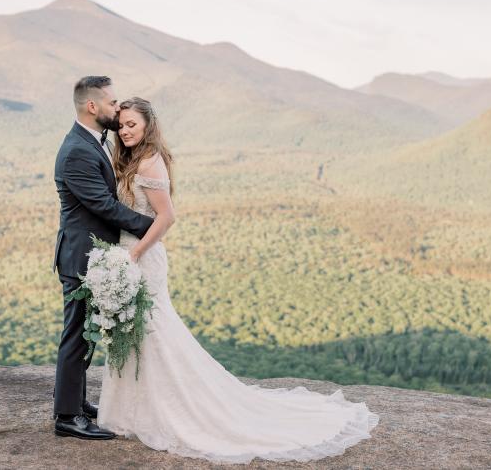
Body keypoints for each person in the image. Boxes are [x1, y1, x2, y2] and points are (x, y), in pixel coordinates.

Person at [96, 97, 379, 464]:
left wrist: (133, 255)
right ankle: (131, 410)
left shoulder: (150, 161)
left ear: (149, 125)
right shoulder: (133, 158)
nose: (126, 130)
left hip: (143, 256)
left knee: (151, 329)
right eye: (122, 125)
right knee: (133, 330)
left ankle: (170, 411)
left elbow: (166, 218)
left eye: (133, 123)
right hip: (129, 253)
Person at [52, 77, 154, 440]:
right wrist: (152, 226)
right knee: (77, 335)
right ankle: (66, 416)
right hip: (81, 256)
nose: (117, 107)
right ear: (92, 107)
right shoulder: (78, 149)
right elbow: (102, 205)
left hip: (93, 254)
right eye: (112, 102)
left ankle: (77, 403)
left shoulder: (93, 140)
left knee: (87, 335)